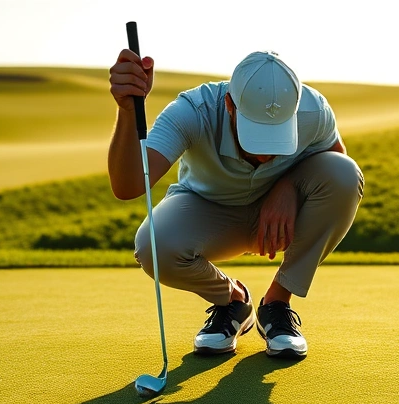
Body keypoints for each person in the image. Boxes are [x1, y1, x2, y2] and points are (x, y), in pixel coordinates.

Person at [108, 49, 363, 359]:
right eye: (257, 135)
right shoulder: (193, 110)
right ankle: (233, 303)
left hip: (279, 219)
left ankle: (277, 304)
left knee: (346, 175)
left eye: (277, 136)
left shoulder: (314, 111)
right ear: (230, 105)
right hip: (207, 212)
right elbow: (128, 186)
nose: (268, 154)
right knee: (152, 245)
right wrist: (127, 110)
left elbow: (336, 169)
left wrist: (289, 186)